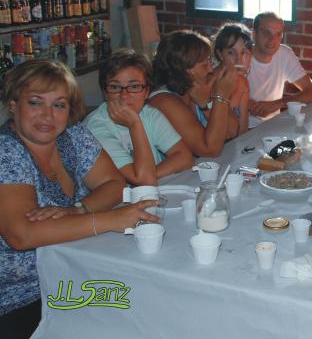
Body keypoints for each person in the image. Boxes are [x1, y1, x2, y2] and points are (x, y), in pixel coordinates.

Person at [0, 60, 160, 337]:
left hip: (78, 273)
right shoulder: (6, 152)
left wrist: (78, 210)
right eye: (35, 103)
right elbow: (21, 235)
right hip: (24, 297)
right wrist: (108, 220)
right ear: (13, 105)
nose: (48, 115)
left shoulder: (72, 135)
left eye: (59, 105)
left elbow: (114, 183)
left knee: (151, 304)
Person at [85, 49, 193, 186]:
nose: (124, 95)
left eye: (134, 86)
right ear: (105, 93)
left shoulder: (149, 114)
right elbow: (144, 180)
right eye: (115, 87)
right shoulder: (95, 128)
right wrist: (134, 124)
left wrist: (150, 174)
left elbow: (185, 157)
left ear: (147, 92)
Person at [149, 30, 237, 157]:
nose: (211, 69)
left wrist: (206, 105)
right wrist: (221, 97)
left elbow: (232, 131)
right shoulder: (163, 101)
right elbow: (210, 150)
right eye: (205, 64)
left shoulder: (197, 87)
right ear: (186, 69)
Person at [247, 12, 312, 127]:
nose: (272, 39)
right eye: (266, 32)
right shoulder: (240, 55)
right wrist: (245, 103)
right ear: (254, 35)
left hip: (272, 126)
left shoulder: (284, 54)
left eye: (278, 34)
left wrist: (278, 104)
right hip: (240, 128)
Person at [213, 23, 251, 136]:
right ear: (220, 54)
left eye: (243, 52)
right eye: (231, 52)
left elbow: (243, 131)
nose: (238, 60)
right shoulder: (211, 83)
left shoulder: (243, 82)